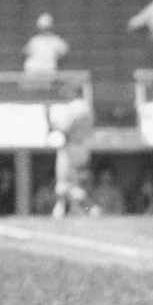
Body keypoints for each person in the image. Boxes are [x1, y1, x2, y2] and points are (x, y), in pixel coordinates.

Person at [47, 81, 95, 217]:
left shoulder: (74, 108)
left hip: (71, 148)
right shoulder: (87, 107)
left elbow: (64, 128)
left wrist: (53, 125)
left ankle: (91, 208)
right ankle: (64, 211)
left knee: (65, 184)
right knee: (74, 182)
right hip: (84, 147)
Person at [21, 13, 68, 79]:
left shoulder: (57, 41)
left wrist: (55, 58)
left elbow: (63, 51)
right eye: (43, 28)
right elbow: (26, 51)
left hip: (48, 69)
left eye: (47, 28)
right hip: (32, 69)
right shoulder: (35, 40)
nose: (45, 30)